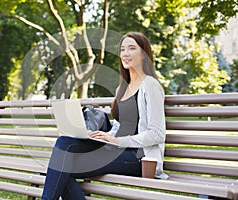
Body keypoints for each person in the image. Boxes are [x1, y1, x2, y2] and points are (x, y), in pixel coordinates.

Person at [41, 32, 168, 200]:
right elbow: (120, 124)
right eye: (122, 49)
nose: (125, 53)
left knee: (63, 166)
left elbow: (157, 133)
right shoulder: (122, 87)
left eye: (132, 48)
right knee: (64, 143)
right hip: (115, 149)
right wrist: (104, 137)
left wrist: (118, 141)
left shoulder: (151, 85)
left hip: (139, 158)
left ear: (144, 55)